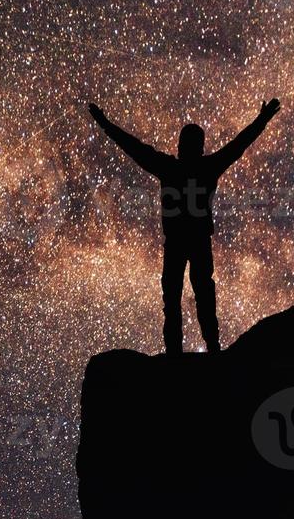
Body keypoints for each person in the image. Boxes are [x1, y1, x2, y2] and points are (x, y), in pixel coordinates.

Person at [88, 99, 281, 355]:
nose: (181, 148)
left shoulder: (170, 167)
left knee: (179, 298)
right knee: (198, 295)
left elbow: (134, 148)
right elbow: (239, 145)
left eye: (183, 143)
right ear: (200, 147)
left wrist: (104, 123)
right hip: (195, 241)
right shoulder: (207, 166)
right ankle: (210, 347)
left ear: (186, 147)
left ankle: (178, 353)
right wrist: (262, 119)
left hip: (180, 242)